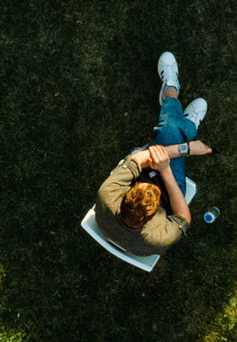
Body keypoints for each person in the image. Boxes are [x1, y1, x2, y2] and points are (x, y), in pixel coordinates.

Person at [89, 51, 215, 260]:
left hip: (147, 173)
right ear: (151, 217)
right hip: (170, 194)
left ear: (125, 196)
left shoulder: (107, 195)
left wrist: (187, 149)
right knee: (170, 133)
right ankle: (179, 111)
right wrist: (165, 170)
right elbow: (183, 217)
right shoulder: (159, 236)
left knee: (169, 133)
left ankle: (175, 105)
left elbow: (138, 161)